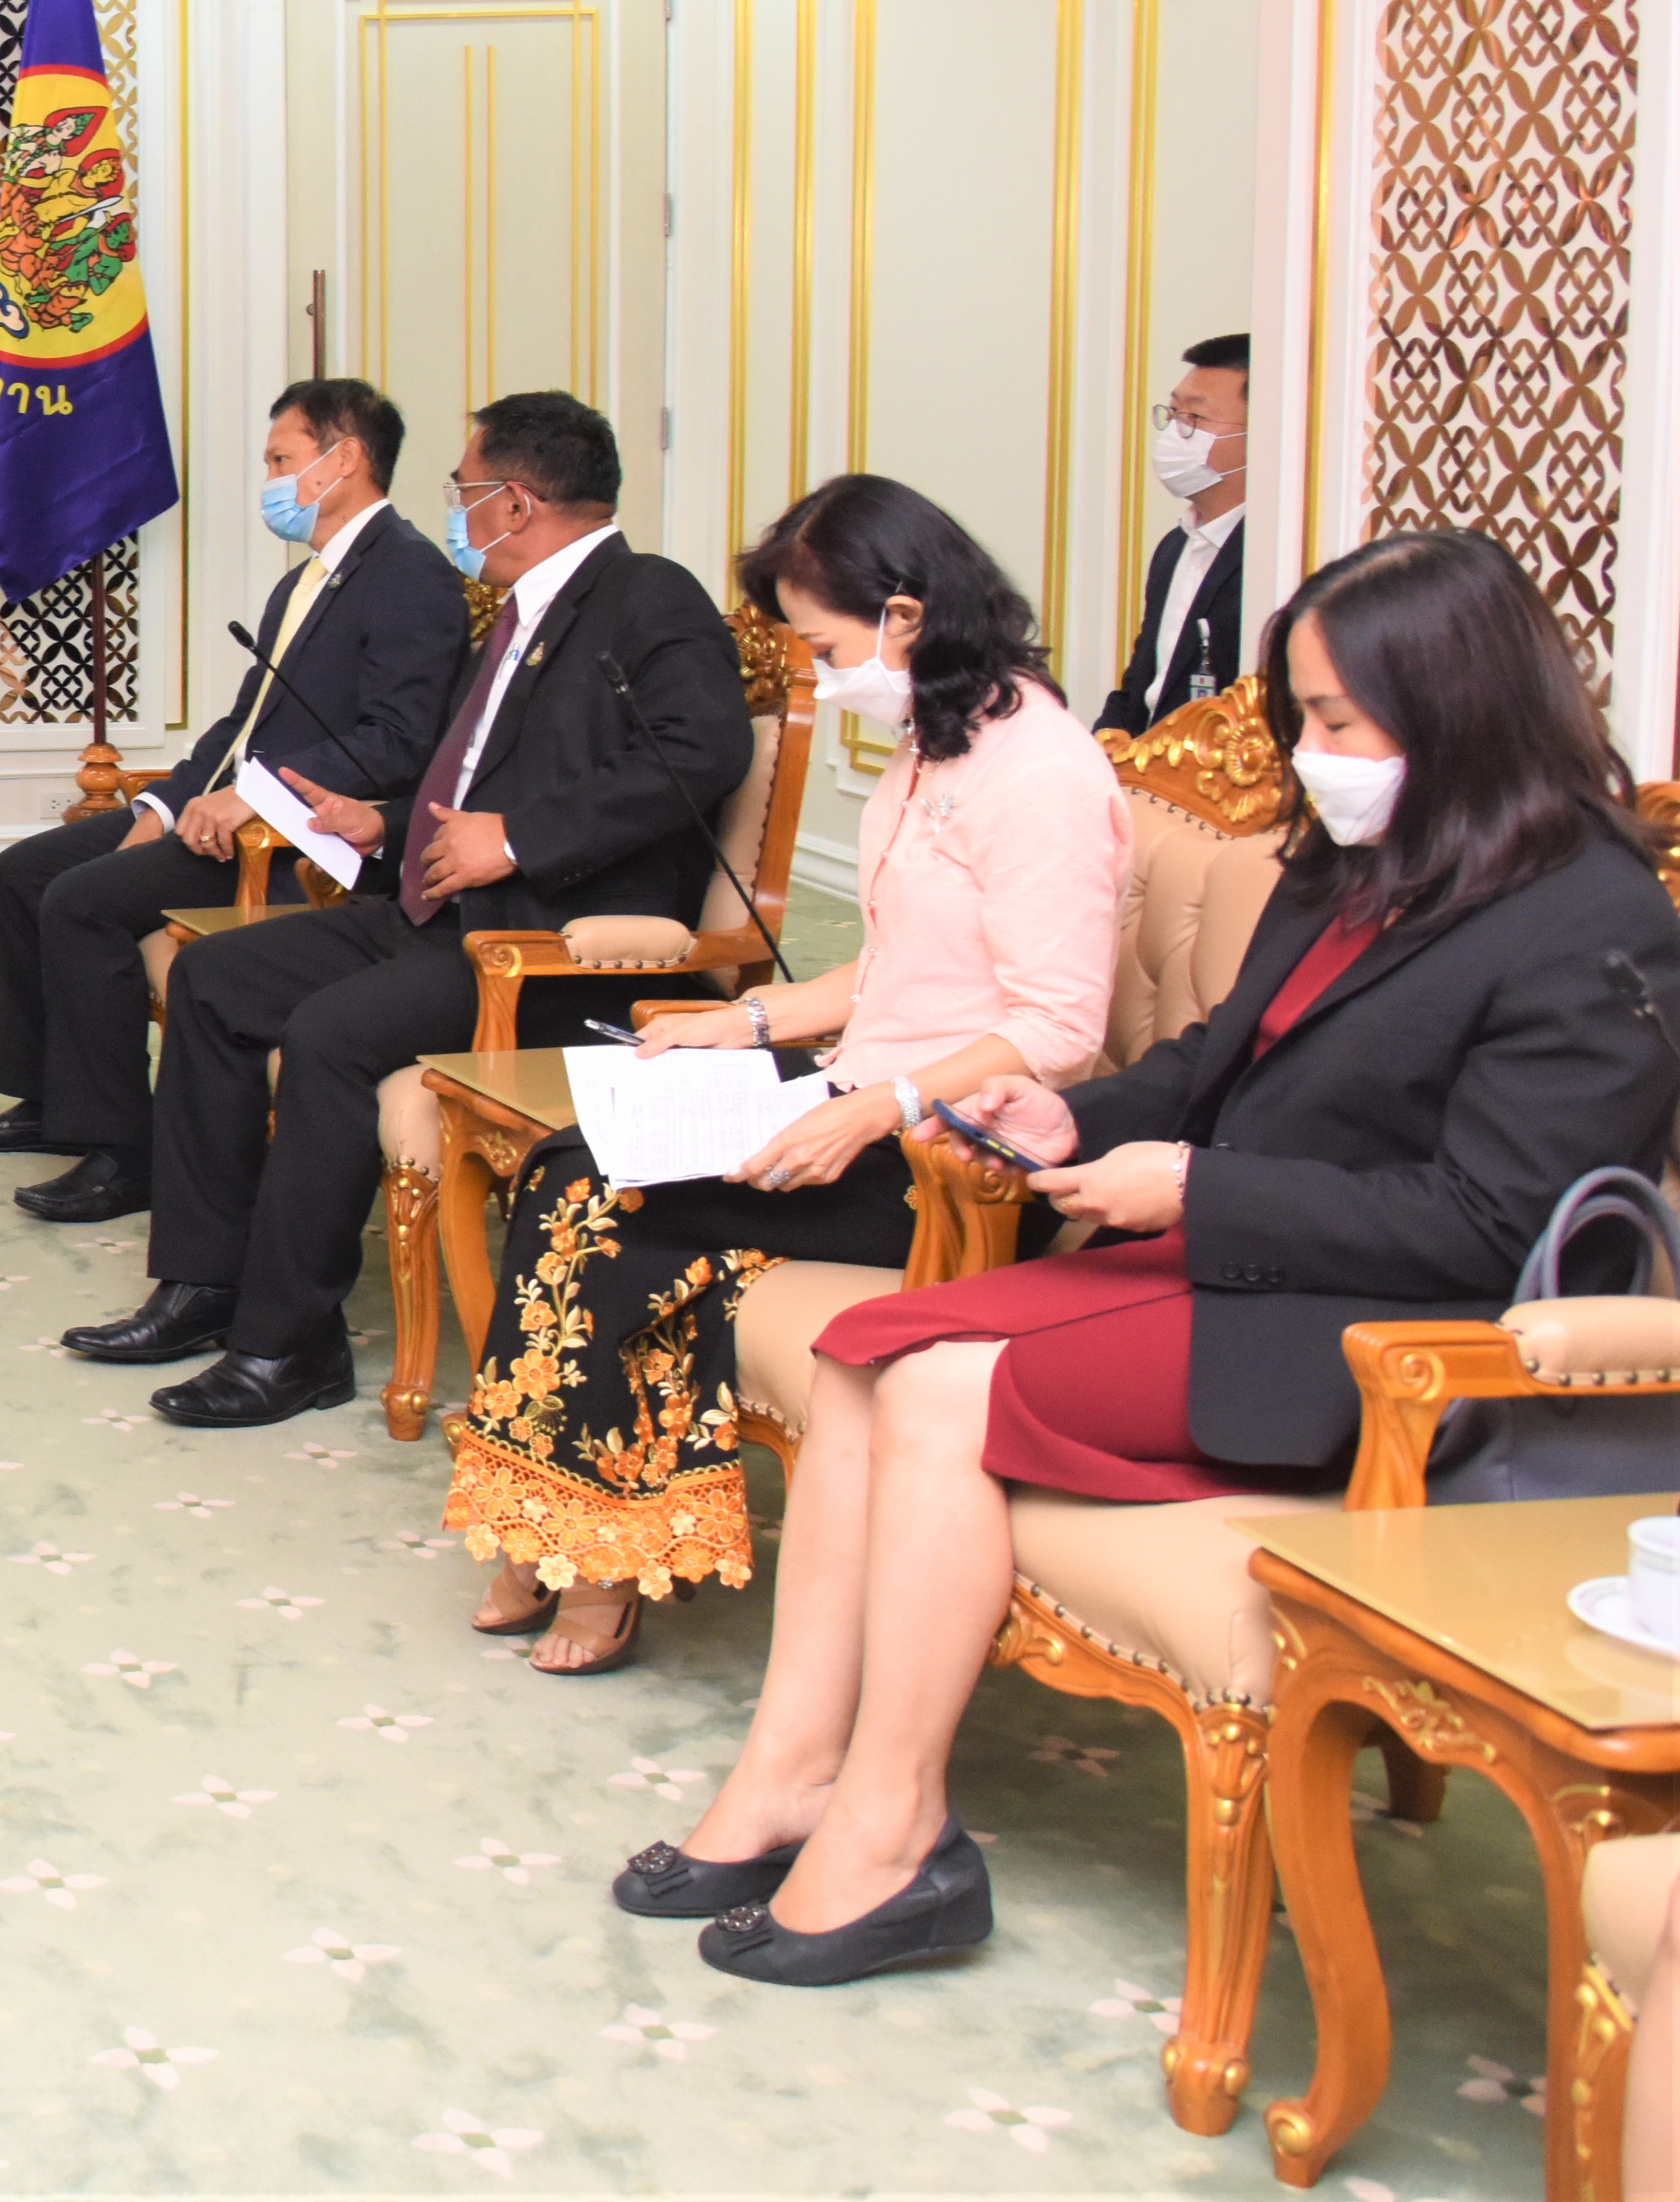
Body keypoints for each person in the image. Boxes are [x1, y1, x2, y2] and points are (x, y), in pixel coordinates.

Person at [641, 529, 1680, 1985]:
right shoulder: (1363, 858)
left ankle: (891, 1824)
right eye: (1301, 717)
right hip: (1250, 1266)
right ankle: (792, 1769)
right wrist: (1071, 1114)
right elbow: (1214, 1056)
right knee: (860, 1351)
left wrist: (1198, 1185)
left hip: (1389, 1332)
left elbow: (1491, 1220)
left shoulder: (1592, 916)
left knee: (936, 1388)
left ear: (1453, 705)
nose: (1312, 757)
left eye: (1336, 720)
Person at [441, 475, 1126, 1673]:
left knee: (600, 1197)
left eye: (821, 645)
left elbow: (1057, 1026)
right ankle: (565, 1526)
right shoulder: (938, 742)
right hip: (858, 1094)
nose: (815, 673)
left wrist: (875, 1107)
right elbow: (896, 968)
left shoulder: (1039, 771)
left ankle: (588, 1552)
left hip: (951, 1153)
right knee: (564, 1160)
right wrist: (743, 1022)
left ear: (904, 616)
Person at [68, 390, 748, 1425]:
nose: (454, 509)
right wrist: (381, 822)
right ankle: (202, 1283)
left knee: (329, 1033)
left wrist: (515, 840)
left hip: (544, 944)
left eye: (463, 489)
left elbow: (701, 753)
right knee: (212, 975)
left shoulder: (647, 595)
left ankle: (286, 1345)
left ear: (513, 502)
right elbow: (472, 776)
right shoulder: (512, 613)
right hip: (433, 906)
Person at [0, 379, 465, 1218]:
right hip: (223, 805)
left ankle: (127, 1152)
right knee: (23, 871)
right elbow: (242, 723)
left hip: (299, 836)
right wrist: (160, 807)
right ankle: (47, 1097)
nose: (270, 480)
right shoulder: (304, 581)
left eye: (281, 460)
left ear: (345, 459)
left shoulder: (410, 574)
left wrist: (253, 797)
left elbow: (396, 740)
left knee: (82, 901)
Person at [1099, 333, 1248, 732]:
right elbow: (1142, 684)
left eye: (1195, 418)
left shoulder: (1271, 559)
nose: (1174, 433)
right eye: (1174, 413)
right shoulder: (1175, 546)